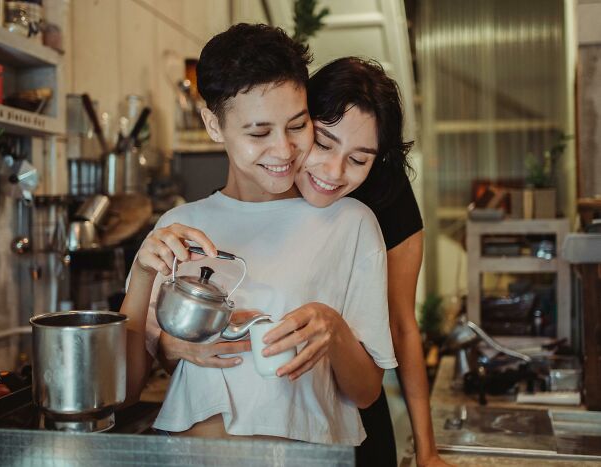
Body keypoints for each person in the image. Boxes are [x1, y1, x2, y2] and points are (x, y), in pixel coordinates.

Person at [158, 57, 452, 467]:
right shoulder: (203, 220)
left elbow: (401, 324)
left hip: (334, 414)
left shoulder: (372, 205)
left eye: (359, 159)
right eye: (324, 143)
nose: (334, 171)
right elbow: (161, 341)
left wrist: (427, 450)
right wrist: (167, 345)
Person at [121, 23, 396, 445]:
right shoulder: (180, 228)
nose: (283, 150)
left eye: (297, 125)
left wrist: (332, 327)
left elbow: (366, 393)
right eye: (259, 133)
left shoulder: (350, 222)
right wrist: (142, 272)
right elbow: (124, 393)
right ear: (214, 125)